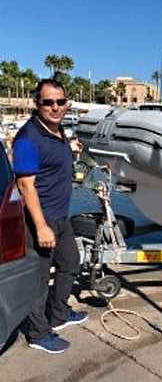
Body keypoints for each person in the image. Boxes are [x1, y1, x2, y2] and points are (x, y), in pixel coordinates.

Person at [12, 79, 87, 354]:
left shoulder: (58, 131)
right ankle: (38, 333)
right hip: (38, 221)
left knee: (70, 263)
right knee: (39, 281)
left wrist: (70, 150)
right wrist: (41, 227)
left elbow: (52, 159)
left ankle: (59, 314)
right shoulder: (28, 139)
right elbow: (25, 185)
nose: (55, 107)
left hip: (61, 216)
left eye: (60, 102)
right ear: (37, 104)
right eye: (48, 102)